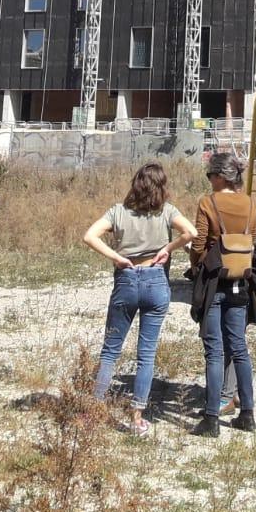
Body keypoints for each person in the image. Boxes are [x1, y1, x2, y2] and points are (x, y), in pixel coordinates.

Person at [83, 162, 197, 435]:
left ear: (135, 184)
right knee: (146, 354)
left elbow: (89, 236)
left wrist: (117, 257)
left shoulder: (118, 212)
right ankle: (136, 417)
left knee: (110, 350)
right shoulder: (166, 211)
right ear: (161, 186)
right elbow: (191, 233)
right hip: (156, 280)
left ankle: (93, 413)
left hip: (127, 278)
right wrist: (167, 249)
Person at [189, 153, 256, 437]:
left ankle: (211, 418)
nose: (209, 179)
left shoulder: (208, 202)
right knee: (239, 348)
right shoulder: (249, 203)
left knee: (214, 350)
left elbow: (199, 242)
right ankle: (247, 413)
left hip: (213, 281)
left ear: (220, 176)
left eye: (210, 175)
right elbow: (254, 240)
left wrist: (196, 265)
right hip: (241, 281)